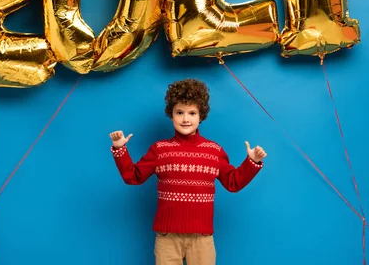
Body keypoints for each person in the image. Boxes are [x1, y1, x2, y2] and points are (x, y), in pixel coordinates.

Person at [109, 78, 267, 265]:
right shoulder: (160, 150)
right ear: (171, 115)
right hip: (167, 238)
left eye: (192, 113)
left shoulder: (213, 151)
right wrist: (120, 150)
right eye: (179, 112)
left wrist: (252, 162)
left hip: (202, 238)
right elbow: (133, 176)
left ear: (201, 116)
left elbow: (233, 183)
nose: (185, 119)